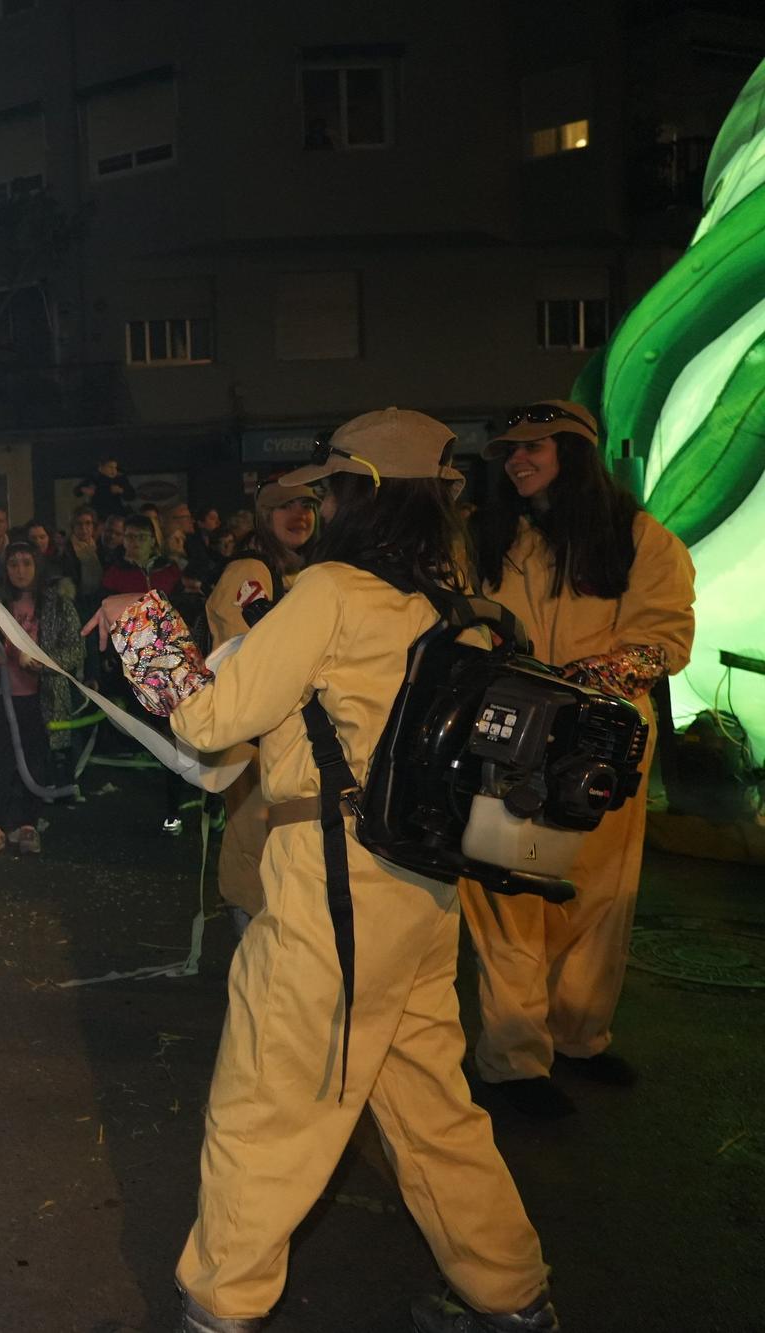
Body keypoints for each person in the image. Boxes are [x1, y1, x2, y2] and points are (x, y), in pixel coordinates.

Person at [98, 408, 557, 1333]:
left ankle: (220, 1309)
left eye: (331, 487)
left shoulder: (335, 592)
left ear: (357, 495)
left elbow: (208, 719)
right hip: (423, 891)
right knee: (434, 1109)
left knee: (269, 1099)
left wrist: (141, 630)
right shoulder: (450, 603)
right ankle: (514, 1298)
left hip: (332, 891)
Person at [461, 399, 696, 1119]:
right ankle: (512, 1061)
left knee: (596, 899)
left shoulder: (639, 540)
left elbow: (664, 639)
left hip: (601, 750)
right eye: (508, 450)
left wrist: (584, 687)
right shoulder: (485, 536)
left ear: (575, 451)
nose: (516, 460)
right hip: (507, 744)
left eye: (533, 447)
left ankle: (579, 1035)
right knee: (505, 900)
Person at [202, 482, 319, 928]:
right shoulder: (252, 571)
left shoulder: (299, 570)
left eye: (306, 505)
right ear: (263, 516)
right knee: (254, 840)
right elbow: (246, 659)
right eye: (284, 506)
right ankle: (252, 936)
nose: (298, 515)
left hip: (283, 740)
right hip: (255, 739)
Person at [0, 543, 84, 856]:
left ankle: (28, 823)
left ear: (38, 566)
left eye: (26, 564)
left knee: (35, 760)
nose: (20, 571)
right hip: (2, 697)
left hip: (41, 697)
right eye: (14, 564)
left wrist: (47, 663)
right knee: (1, 763)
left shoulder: (58, 606)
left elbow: (75, 649)